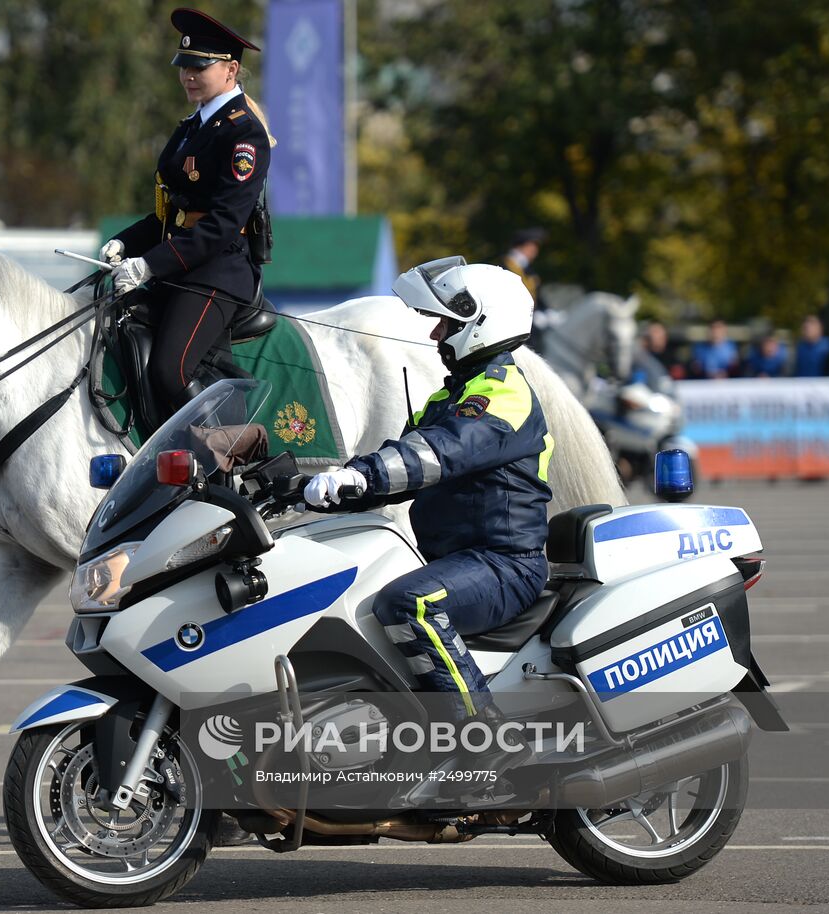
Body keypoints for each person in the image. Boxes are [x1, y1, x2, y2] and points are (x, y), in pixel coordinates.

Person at [304, 258, 552, 723]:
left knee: (408, 603)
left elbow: (442, 452)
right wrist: (312, 487)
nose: (436, 335)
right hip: (455, 558)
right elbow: (403, 468)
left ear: (480, 325)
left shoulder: (503, 393)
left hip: (502, 562)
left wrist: (363, 474)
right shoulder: (449, 396)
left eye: (446, 323)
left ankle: (483, 739)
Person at [101, 7, 272, 418]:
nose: (188, 75)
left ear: (231, 70)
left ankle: (229, 455)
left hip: (219, 270)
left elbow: (221, 227)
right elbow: (170, 214)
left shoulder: (243, 133)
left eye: (200, 66)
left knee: (170, 370)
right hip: (182, 266)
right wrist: (124, 242)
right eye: (184, 66)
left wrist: (148, 265)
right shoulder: (192, 126)